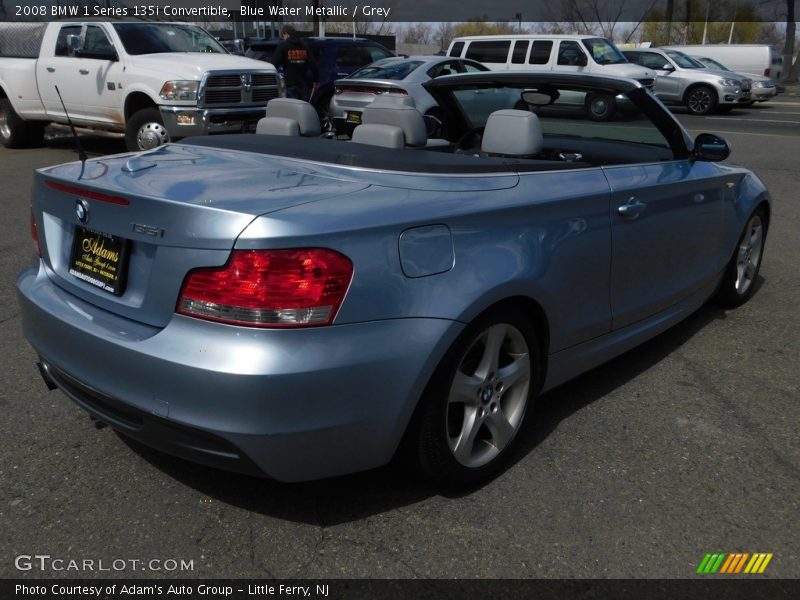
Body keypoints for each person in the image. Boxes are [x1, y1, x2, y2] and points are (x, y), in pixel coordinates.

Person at [270, 25, 319, 101]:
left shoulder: (283, 46)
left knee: (292, 107)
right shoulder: (304, 46)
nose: (283, 38)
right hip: (303, 85)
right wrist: (316, 80)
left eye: (283, 35)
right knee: (303, 106)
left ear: (286, 34)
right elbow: (313, 65)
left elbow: (273, 64)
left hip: (290, 85)